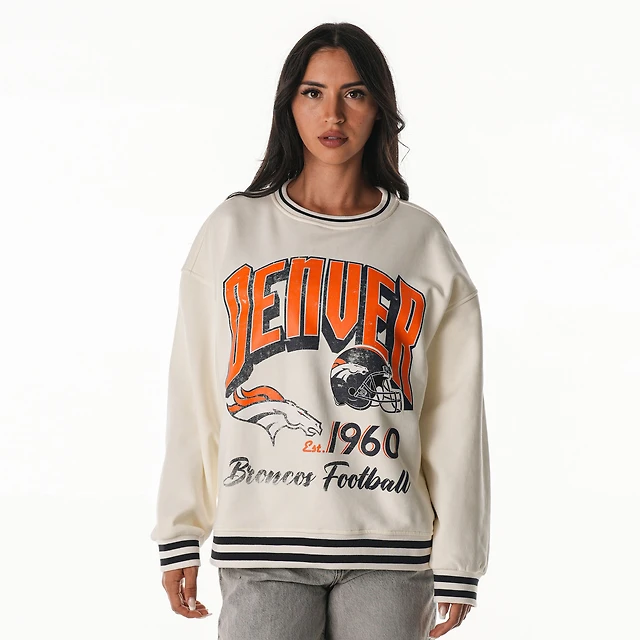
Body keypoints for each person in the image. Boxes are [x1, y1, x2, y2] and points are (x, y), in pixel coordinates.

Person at [149, 22, 491, 640]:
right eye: (313, 93)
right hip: (263, 541)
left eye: (353, 93)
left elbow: (455, 414)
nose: (333, 114)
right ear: (289, 105)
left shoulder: (421, 241)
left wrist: (459, 559)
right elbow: (194, 389)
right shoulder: (234, 230)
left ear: (379, 107)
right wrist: (180, 528)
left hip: (388, 545)